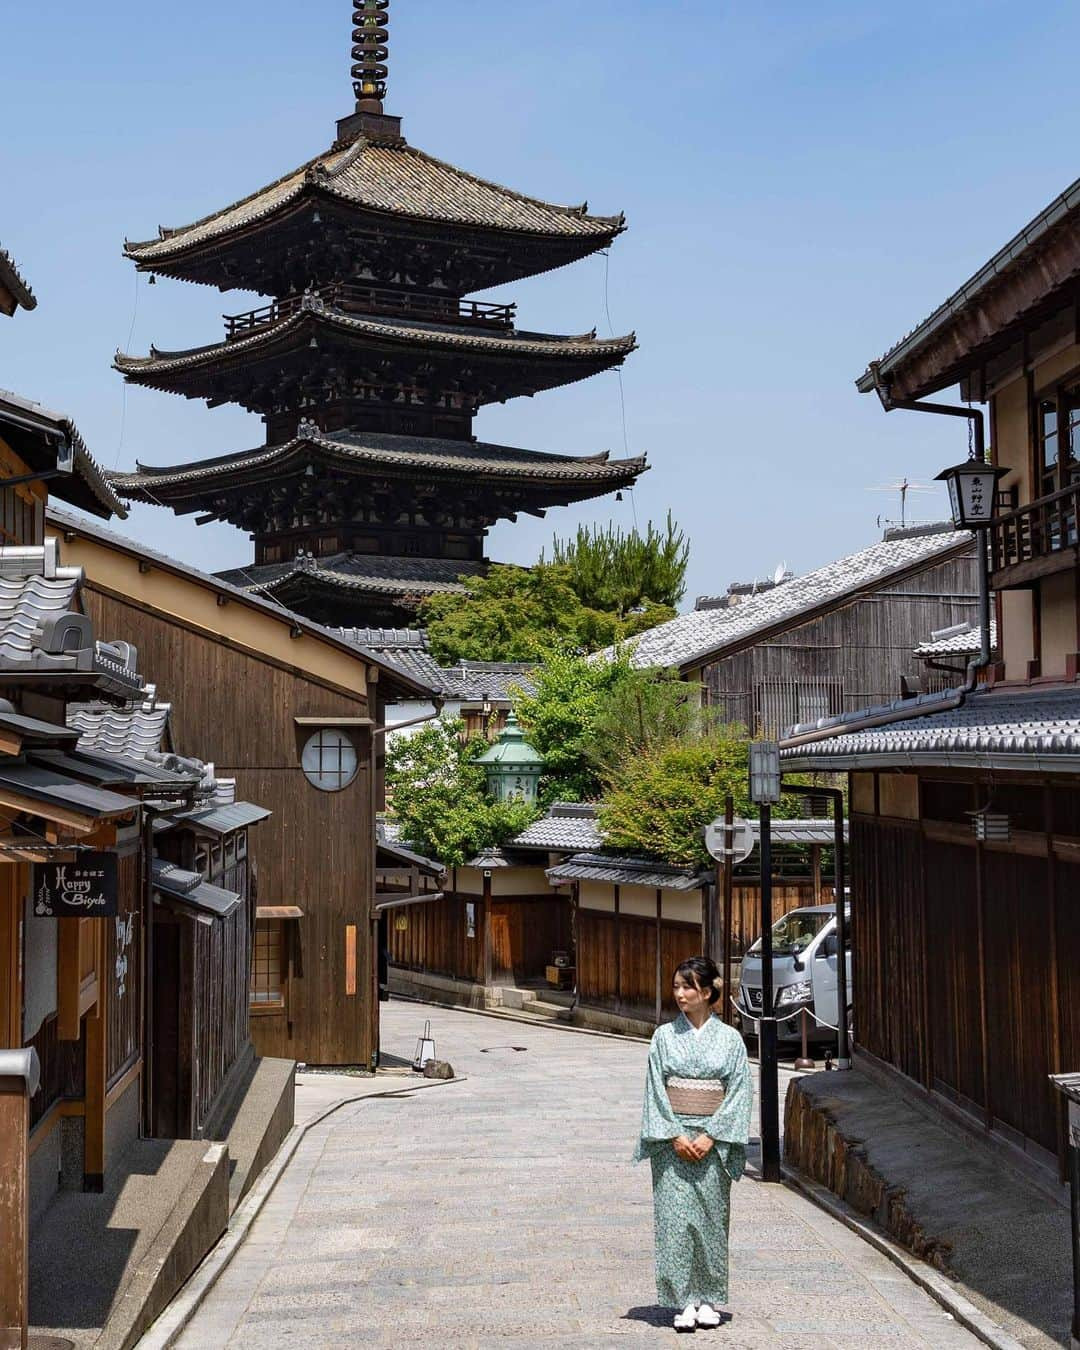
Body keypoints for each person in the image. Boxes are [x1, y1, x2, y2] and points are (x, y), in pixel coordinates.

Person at [634, 955, 753, 1333]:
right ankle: (681, 1300)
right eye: (677, 987)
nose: (680, 994)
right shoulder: (664, 1037)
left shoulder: (730, 1040)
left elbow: (738, 1093)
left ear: (707, 991)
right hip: (673, 1141)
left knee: (710, 1221)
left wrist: (710, 1135)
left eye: (688, 987)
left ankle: (708, 1298)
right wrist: (674, 1134)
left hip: (713, 1143)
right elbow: (655, 1091)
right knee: (675, 1221)